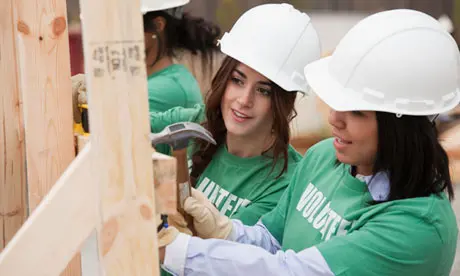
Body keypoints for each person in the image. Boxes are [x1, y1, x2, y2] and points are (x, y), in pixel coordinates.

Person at [158, 9, 460, 276]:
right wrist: (225, 231)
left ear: (401, 127)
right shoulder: (324, 158)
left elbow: (293, 271)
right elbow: (270, 240)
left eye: (356, 111)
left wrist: (175, 251)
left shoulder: (416, 227)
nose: (334, 119)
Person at [150, 3, 321, 226]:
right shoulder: (196, 122)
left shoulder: (284, 183)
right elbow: (125, 126)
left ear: (284, 102)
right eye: (237, 80)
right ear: (224, 79)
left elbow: (221, 252)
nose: (244, 100)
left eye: (263, 91)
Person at [72, 0, 220, 153]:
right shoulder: (166, 77)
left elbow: (108, 127)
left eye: (124, 24)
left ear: (158, 25)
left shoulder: (165, 89)